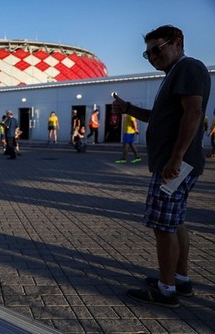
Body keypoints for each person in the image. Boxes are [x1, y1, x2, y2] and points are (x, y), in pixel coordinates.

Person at [112, 25, 211, 308]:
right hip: (177, 163)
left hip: (176, 165)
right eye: (147, 53)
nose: (153, 56)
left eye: (157, 49)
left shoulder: (187, 67)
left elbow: (193, 113)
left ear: (177, 43)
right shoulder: (174, 75)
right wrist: (129, 108)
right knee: (175, 221)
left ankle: (165, 289)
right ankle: (180, 279)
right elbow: (161, 118)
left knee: (163, 226)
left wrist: (176, 157)